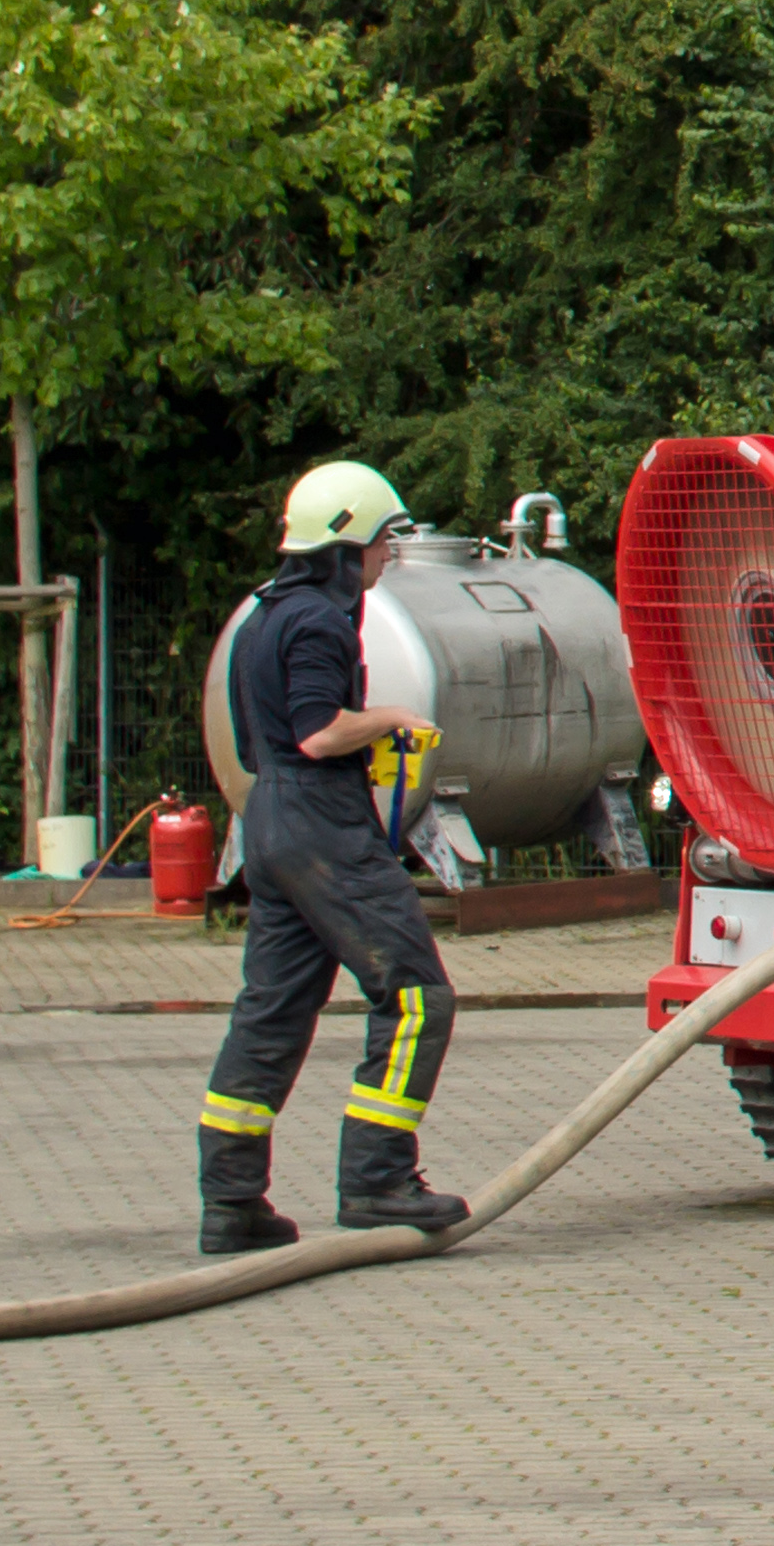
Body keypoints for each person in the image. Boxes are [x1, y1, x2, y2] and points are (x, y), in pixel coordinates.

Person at [194, 462, 466, 1253]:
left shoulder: (260, 617)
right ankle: (378, 1181)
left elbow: (263, 741)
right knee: (418, 999)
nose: (388, 556)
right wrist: (388, 717)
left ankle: (231, 1201)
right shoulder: (318, 620)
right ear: (347, 545)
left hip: (270, 821)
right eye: (384, 540)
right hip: (322, 824)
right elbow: (319, 731)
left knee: (271, 1011)